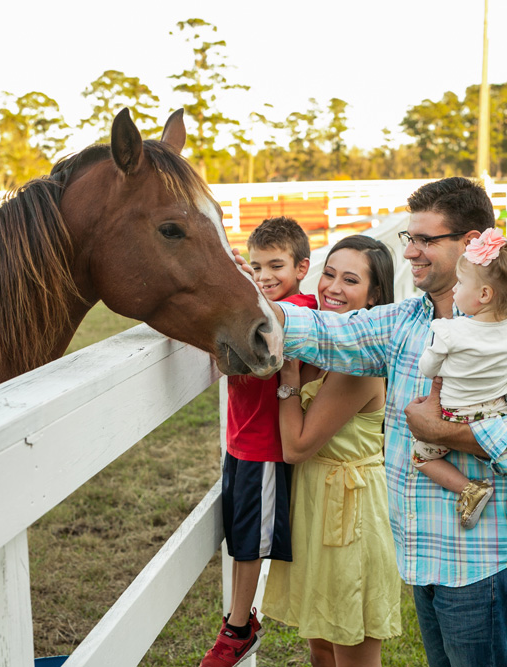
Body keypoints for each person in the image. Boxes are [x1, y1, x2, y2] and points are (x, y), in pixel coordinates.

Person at [256, 177, 507, 667]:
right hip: (425, 557)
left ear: (469, 245)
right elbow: (327, 331)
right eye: (410, 238)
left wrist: (441, 432)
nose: (411, 252)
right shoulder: (406, 321)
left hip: (484, 561)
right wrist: (243, 300)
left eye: (426, 240)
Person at [261, 236, 402, 667]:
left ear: (375, 295)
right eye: (329, 273)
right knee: (321, 644)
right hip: (316, 501)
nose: (333, 288)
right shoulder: (323, 342)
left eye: (351, 280)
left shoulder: (359, 363)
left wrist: (287, 377)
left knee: (352, 649)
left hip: (350, 511)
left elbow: (297, 445)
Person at [201, 216, 317, 667]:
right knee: (238, 535)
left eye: (276, 266)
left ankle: (238, 627)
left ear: (301, 268)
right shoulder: (256, 303)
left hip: (266, 446)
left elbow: (271, 330)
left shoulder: (301, 308)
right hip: (240, 441)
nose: (266, 277)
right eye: (257, 267)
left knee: (249, 541)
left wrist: (241, 286)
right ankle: (239, 616)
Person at [414, 228, 507, 532]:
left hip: (454, 413)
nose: (455, 290)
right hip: (497, 410)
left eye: (461, 284)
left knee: (421, 458)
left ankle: (470, 489)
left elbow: (427, 369)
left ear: (484, 294)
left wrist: (436, 358)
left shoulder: (450, 331)